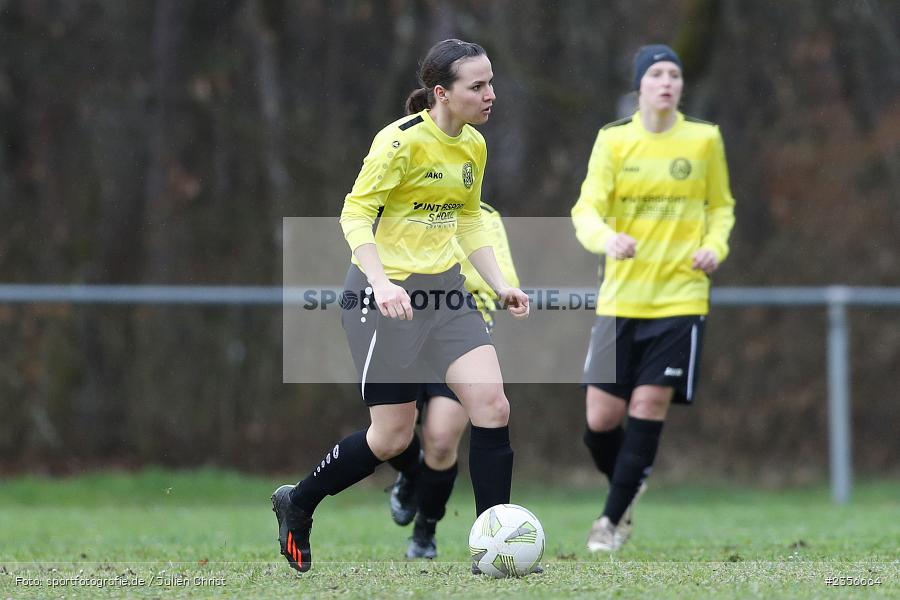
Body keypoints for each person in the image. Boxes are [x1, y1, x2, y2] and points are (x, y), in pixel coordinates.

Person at [272, 39, 529, 573]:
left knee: (493, 408)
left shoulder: (473, 146)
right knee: (389, 438)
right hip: (382, 299)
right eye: (476, 86)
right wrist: (382, 281)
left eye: (490, 83)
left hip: (447, 294)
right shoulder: (399, 142)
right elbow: (354, 214)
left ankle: (495, 548)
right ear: (442, 92)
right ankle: (298, 501)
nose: (490, 95)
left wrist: (500, 282)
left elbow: (468, 218)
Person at [571, 44, 736, 552]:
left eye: (674, 75)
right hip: (621, 300)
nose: (666, 82)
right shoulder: (614, 141)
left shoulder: (704, 139)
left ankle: (609, 522)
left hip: (680, 300)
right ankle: (630, 475)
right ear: (640, 85)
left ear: (681, 87)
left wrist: (714, 246)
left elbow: (722, 206)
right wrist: (608, 240)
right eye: (656, 74)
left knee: (647, 404)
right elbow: (586, 211)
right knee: (600, 424)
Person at [387, 201, 519, 560]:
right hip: (406, 324)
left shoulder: (484, 216)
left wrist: (451, 271)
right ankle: (412, 473)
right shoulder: (404, 206)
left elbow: (504, 278)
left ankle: (425, 530)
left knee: (442, 440)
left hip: (460, 333)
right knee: (392, 435)